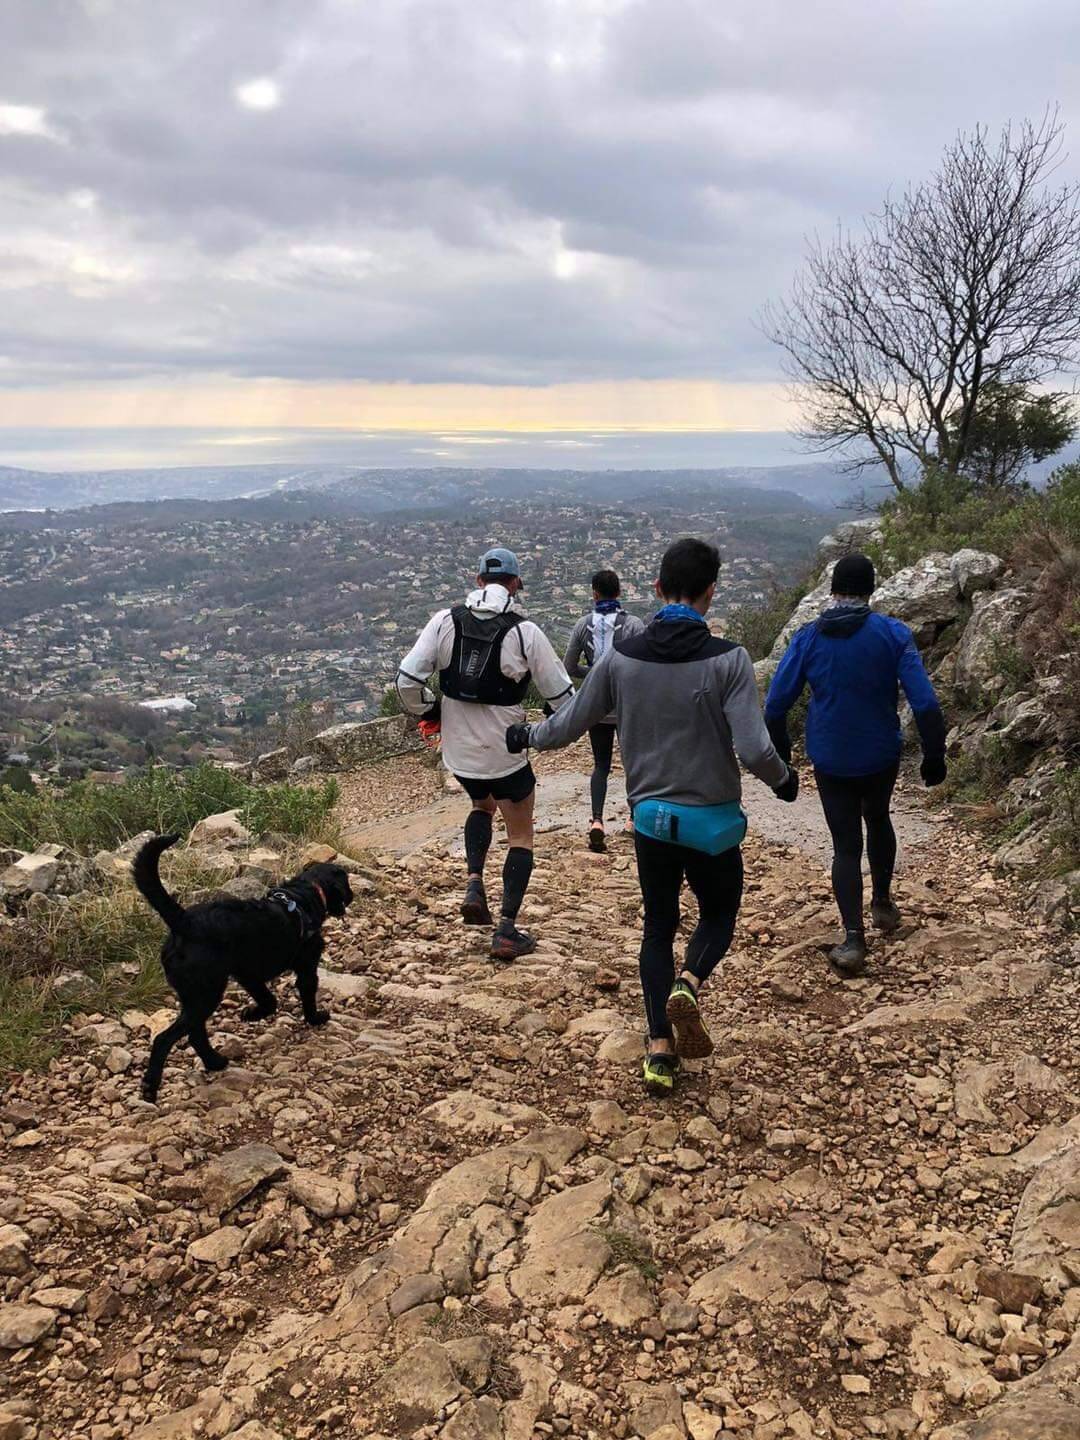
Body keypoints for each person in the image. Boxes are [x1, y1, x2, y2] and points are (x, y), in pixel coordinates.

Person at [506, 538, 799, 1095]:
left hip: (651, 822)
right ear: (711, 592)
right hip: (712, 821)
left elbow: (569, 724)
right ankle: (688, 982)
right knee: (717, 915)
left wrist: (527, 735)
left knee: (658, 925)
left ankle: (660, 1048)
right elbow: (755, 749)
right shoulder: (730, 659)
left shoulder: (620, 659)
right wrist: (785, 782)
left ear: (658, 589)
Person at [764, 552, 947, 976]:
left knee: (846, 845)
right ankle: (882, 903)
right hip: (879, 751)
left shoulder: (809, 637)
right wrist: (934, 755)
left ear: (832, 591)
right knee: (879, 818)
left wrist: (784, 758)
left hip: (830, 757)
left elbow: (774, 707)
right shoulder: (892, 633)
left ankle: (852, 939)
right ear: (871, 590)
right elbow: (925, 702)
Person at [396, 546, 573, 961]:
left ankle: (474, 881)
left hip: (458, 755)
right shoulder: (525, 632)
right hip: (506, 752)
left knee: (481, 804)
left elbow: (406, 680)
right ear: (514, 585)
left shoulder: (444, 621)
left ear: (479, 581)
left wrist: (432, 708)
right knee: (521, 834)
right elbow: (564, 699)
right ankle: (508, 930)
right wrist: (538, 733)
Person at [563, 569, 645, 851]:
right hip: (627, 705)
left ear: (594, 594)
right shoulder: (633, 624)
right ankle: (634, 820)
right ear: (619, 592)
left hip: (597, 707)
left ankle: (597, 821)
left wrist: (595, 674)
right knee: (633, 764)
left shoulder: (583, 625)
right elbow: (644, 664)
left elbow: (569, 667)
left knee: (601, 765)